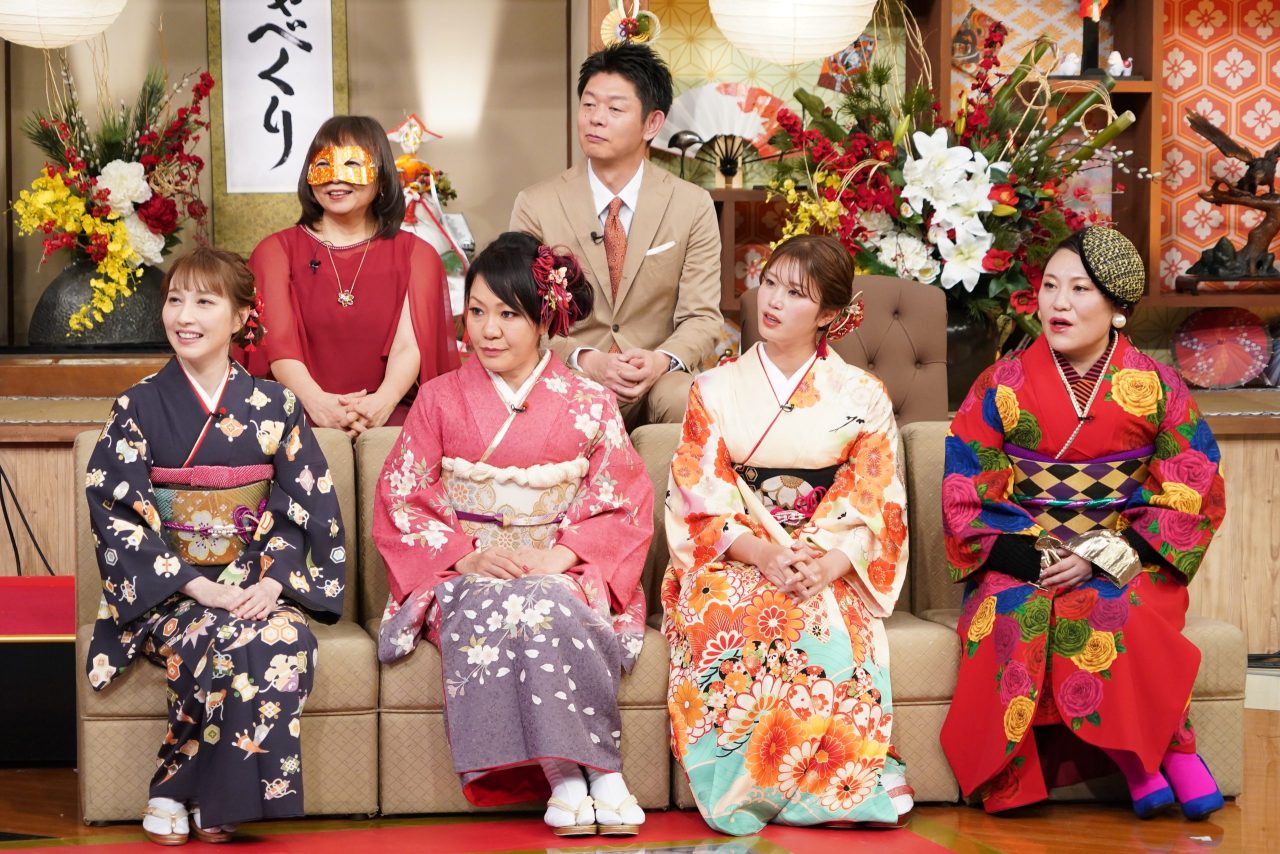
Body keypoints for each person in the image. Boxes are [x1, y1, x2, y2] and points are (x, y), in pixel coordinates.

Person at [940, 226, 1226, 820]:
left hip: (1127, 551)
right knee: (1020, 610)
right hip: (1026, 555)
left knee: (1112, 604)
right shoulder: (1000, 384)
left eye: (1079, 289)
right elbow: (968, 489)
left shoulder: (1158, 385)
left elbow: (1191, 482)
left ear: (1118, 307)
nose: (1059, 303)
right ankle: (1145, 761)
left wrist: (1101, 554)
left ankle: (1155, 756)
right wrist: (1038, 558)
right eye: (1050, 286)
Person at [373, 232, 654, 836]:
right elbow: (403, 496)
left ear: (545, 316)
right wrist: (466, 557)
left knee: (548, 599)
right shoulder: (438, 399)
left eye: (508, 314)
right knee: (507, 604)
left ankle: (590, 772)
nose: (488, 330)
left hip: (559, 565)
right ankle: (574, 772)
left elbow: (622, 500)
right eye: (477, 312)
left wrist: (561, 554)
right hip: (469, 570)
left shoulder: (592, 402)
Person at [84, 246, 346, 845]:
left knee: (286, 638)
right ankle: (177, 789)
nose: (185, 316)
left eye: (205, 302)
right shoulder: (136, 406)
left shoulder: (277, 406)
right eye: (175, 300)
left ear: (241, 316)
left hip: (253, 584)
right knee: (220, 638)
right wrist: (198, 587)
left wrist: (273, 581)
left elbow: (303, 505)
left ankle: (207, 796)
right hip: (171, 591)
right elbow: (117, 515)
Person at [662, 235, 913, 835]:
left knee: (825, 626)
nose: (772, 301)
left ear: (829, 313)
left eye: (796, 293)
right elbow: (700, 493)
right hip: (737, 555)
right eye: (769, 282)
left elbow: (874, 497)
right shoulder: (714, 388)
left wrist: (824, 565)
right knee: (737, 612)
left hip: (826, 557)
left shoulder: (862, 395)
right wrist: (765, 554)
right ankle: (747, 788)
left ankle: (834, 787)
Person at [510, 42, 722, 427]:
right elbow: (522, 313)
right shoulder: (536, 204)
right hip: (570, 371)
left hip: (655, 379)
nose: (595, 119)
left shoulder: (692, 205)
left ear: (652, 123)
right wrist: (587, 360)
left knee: (685, 398)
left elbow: (702, 316)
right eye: (588, 105)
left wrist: (660, 361)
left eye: (614, 109)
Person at [246, 114, 459, 435]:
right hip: (298, 411)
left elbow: (408, 345)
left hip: (390, 413)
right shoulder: (274, 252)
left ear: (382, 175)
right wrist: (317, 404)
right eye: (323, 164)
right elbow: (278, 344)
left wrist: (381, 404)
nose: (335, 178)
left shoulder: (419, 256)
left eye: (351, 164)